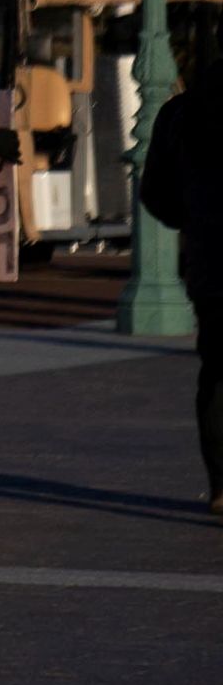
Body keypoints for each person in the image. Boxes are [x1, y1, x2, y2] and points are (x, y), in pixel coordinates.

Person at [131, 49, 223, 517]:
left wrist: (194, 223)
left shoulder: (181, 112)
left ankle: (222, 484)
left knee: (218, 373)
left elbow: (156, 194)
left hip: (212, 261)